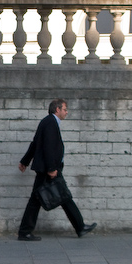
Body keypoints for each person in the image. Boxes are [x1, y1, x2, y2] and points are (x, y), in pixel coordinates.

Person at [17, 98, 96, 241]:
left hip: (48, 168)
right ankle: (24, 232)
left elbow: (35, 144)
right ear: (57, 109)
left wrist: (25, 161)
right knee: (56, 197)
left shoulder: (48, 122)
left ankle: (80, 226)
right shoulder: (50, 123)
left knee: (60, 197)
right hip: (49, 170)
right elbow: (47, 147)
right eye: (65, 109)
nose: (67, 112)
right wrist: (52, 168)